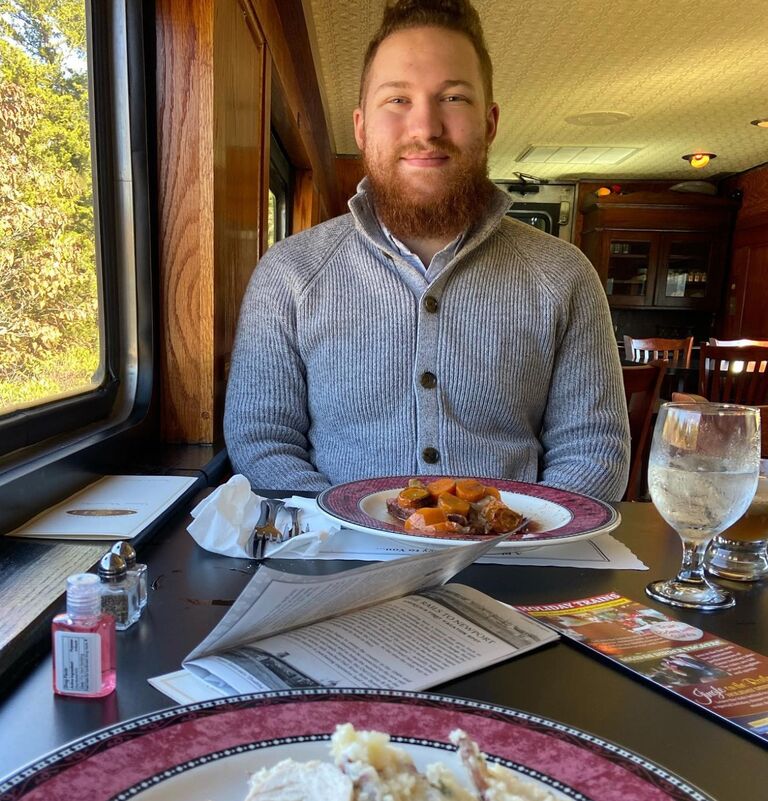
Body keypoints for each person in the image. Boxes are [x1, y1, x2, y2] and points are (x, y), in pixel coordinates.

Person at [224, 0, 630, 500]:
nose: (425, 128)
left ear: (491, 122)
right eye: (397, 100)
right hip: (339, 556)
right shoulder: (288, 273)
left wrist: (513, 539)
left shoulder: (565, 274)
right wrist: (352, 534)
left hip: (514, 558)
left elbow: (594, 450)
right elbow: (262, 442)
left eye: (454, 98)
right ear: (360, 126)